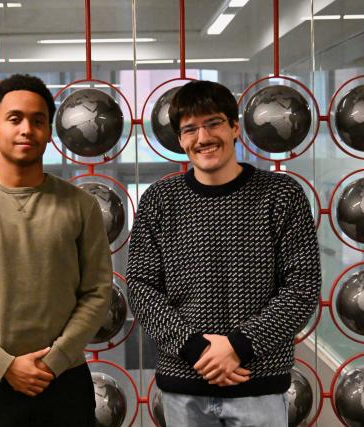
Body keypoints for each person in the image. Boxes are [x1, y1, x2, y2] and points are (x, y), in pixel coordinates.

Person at [126, 80, 321, 426]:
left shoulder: (281, 195)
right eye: (190, 129)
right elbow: (141, 288)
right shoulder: (159, 200)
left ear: (234, 127)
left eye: (213, 123)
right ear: (180, 139)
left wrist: (239, 346)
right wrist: (196, 349)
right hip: (184, 384)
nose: (202, 138)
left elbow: (302, 288)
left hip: (257, 383)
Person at [0, 74, 112, 427]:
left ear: (48, 131)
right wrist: (4, 364)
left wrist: (54, 361)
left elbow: (96, 292)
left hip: (65, 381)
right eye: (15, 119)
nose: (27, 129)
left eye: (38, 120)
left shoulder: (81, 206)